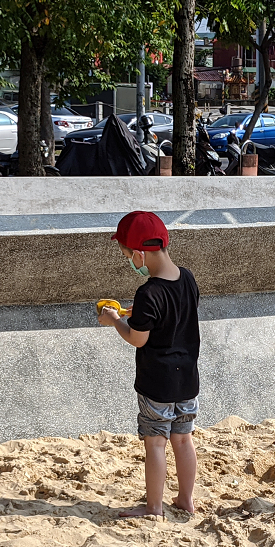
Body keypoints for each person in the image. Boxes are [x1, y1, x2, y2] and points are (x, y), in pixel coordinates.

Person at [98, 211, 200, 518]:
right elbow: (176, 314)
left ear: (140, 254)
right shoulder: (187, 277)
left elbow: (138, 339)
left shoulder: (148, 292)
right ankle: (185, 500)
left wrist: (115, 320)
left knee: (156, 442)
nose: (129, 260)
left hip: (157, 381)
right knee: (183, 439)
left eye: (128, 255)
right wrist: (137, 312)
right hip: (187, 378)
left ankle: (154, 506)